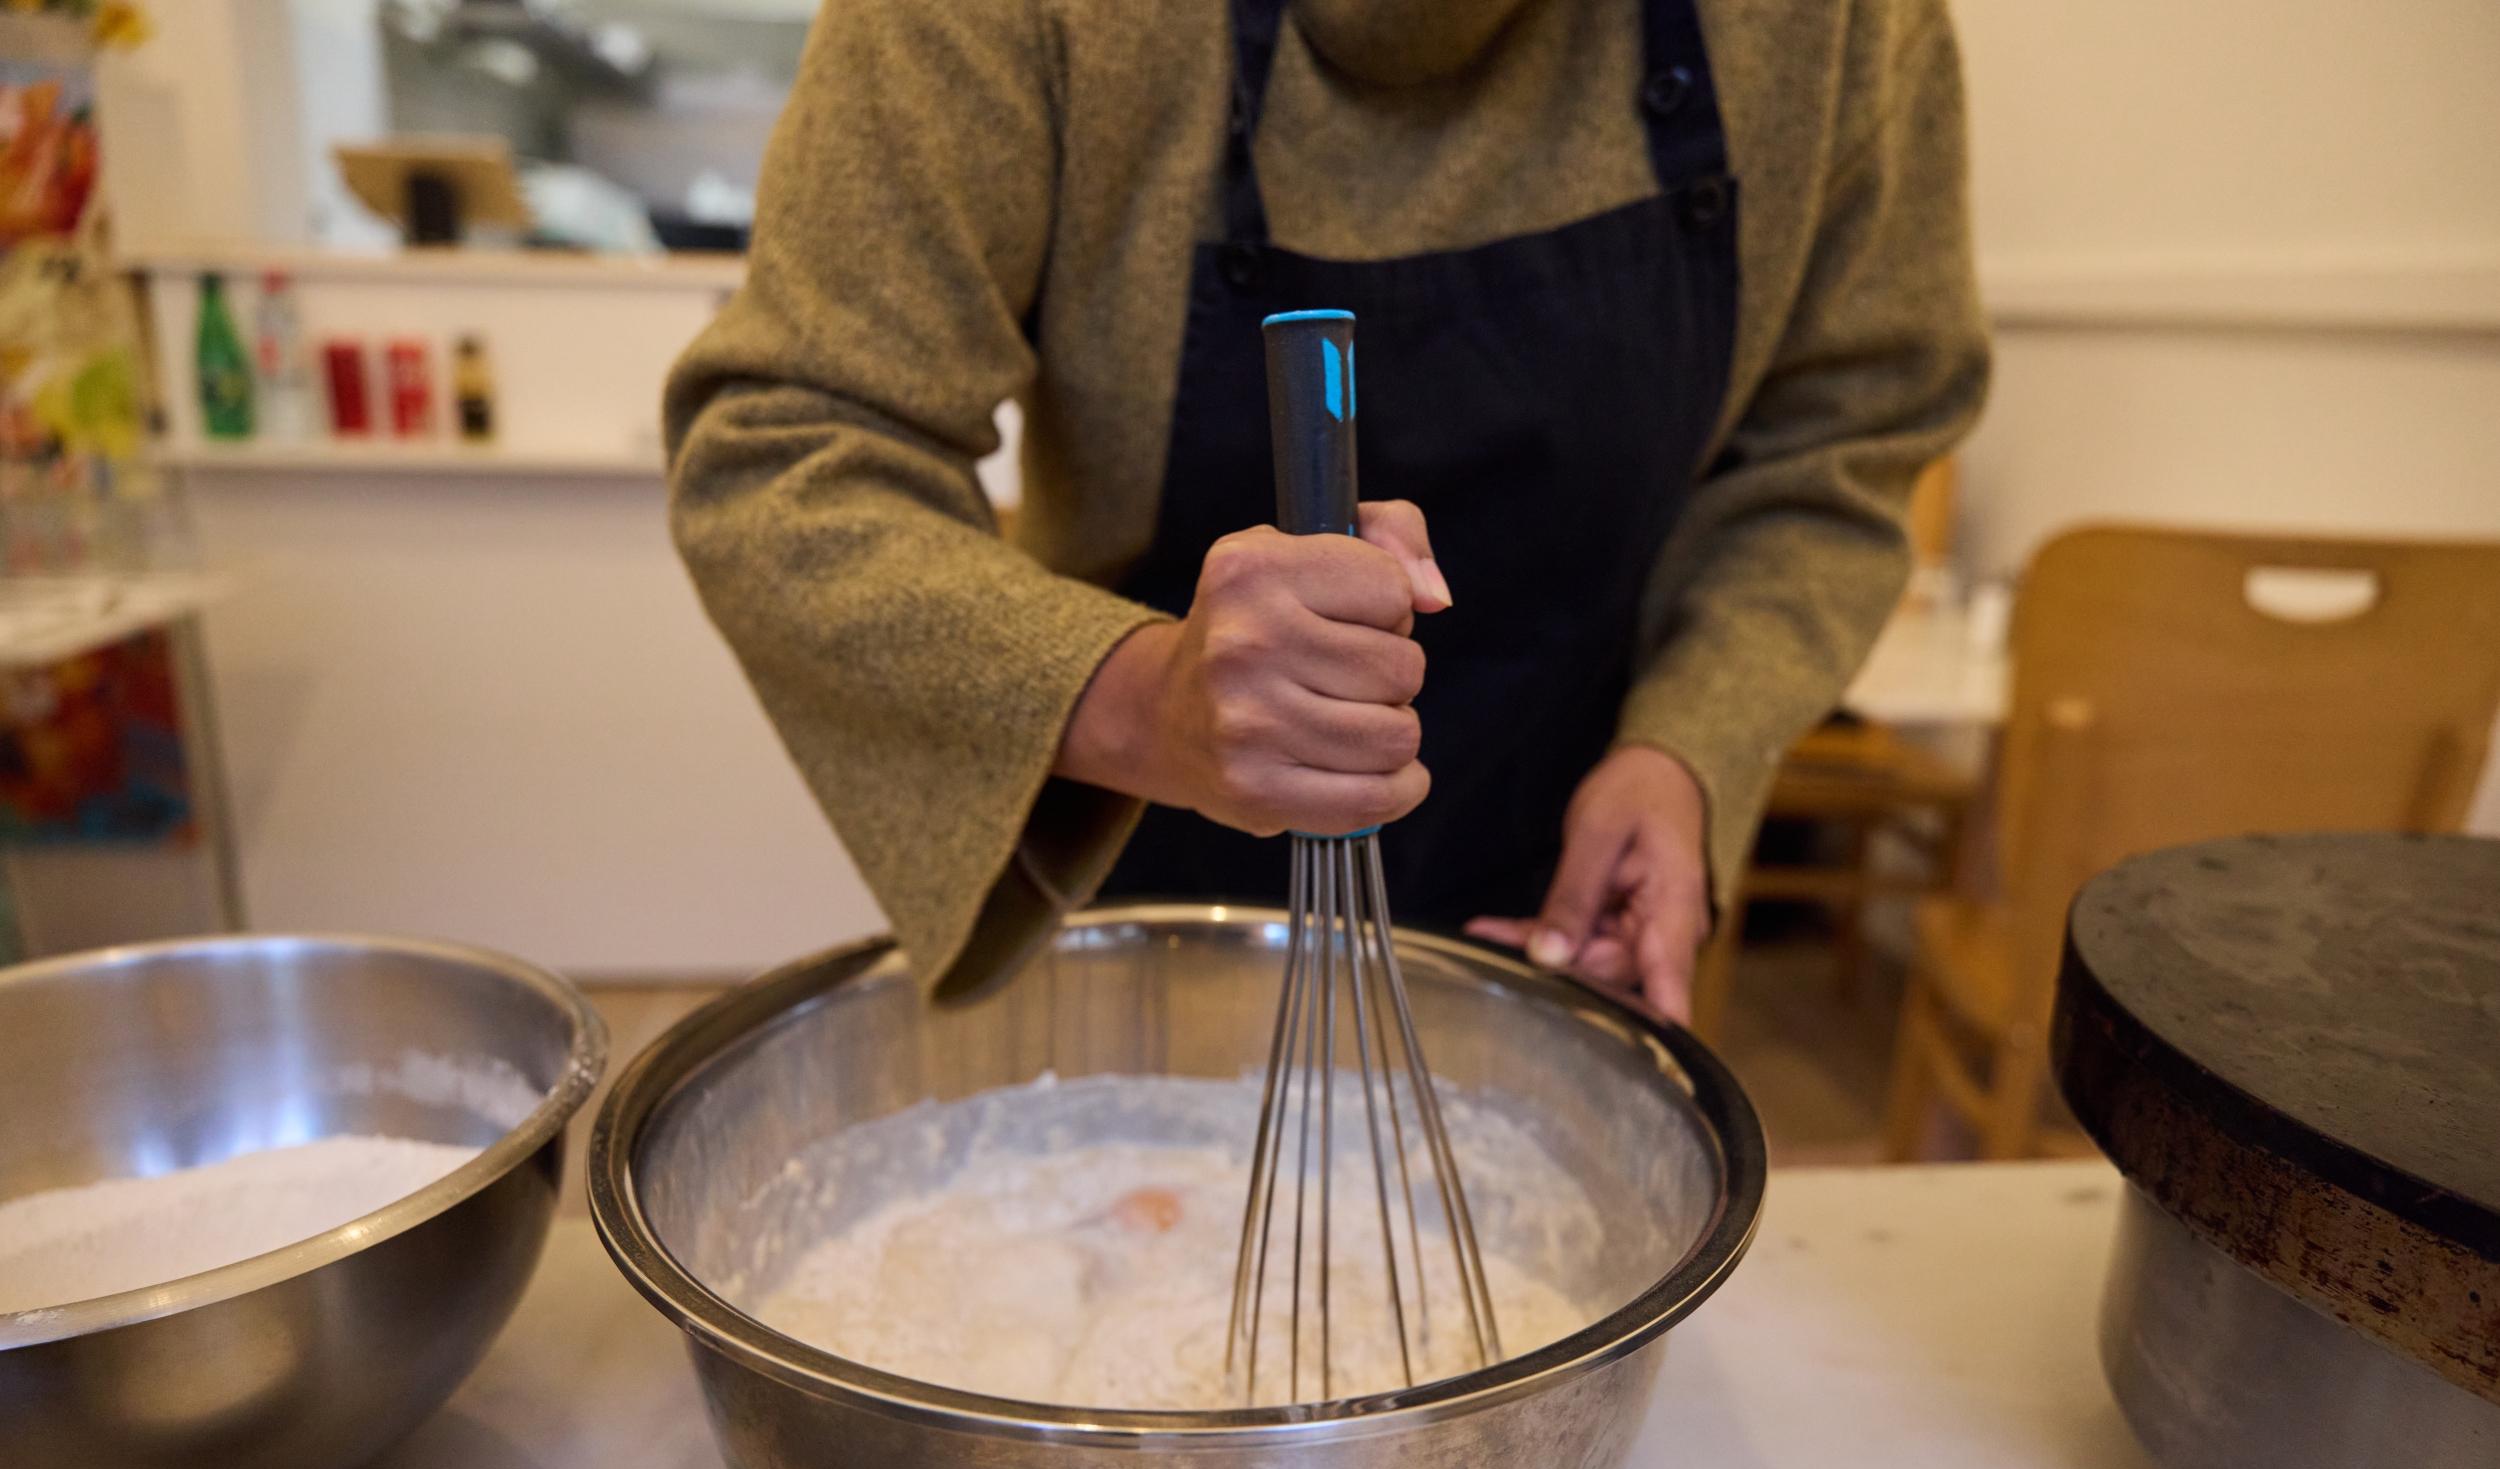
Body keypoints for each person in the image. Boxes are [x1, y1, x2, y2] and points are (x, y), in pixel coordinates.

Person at [666, 0, 1989, 1017]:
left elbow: (1847, 434)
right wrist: (1148, 699)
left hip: (1564, 895)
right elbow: (789, 449)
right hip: (1152, 900)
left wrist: (1692, 745)